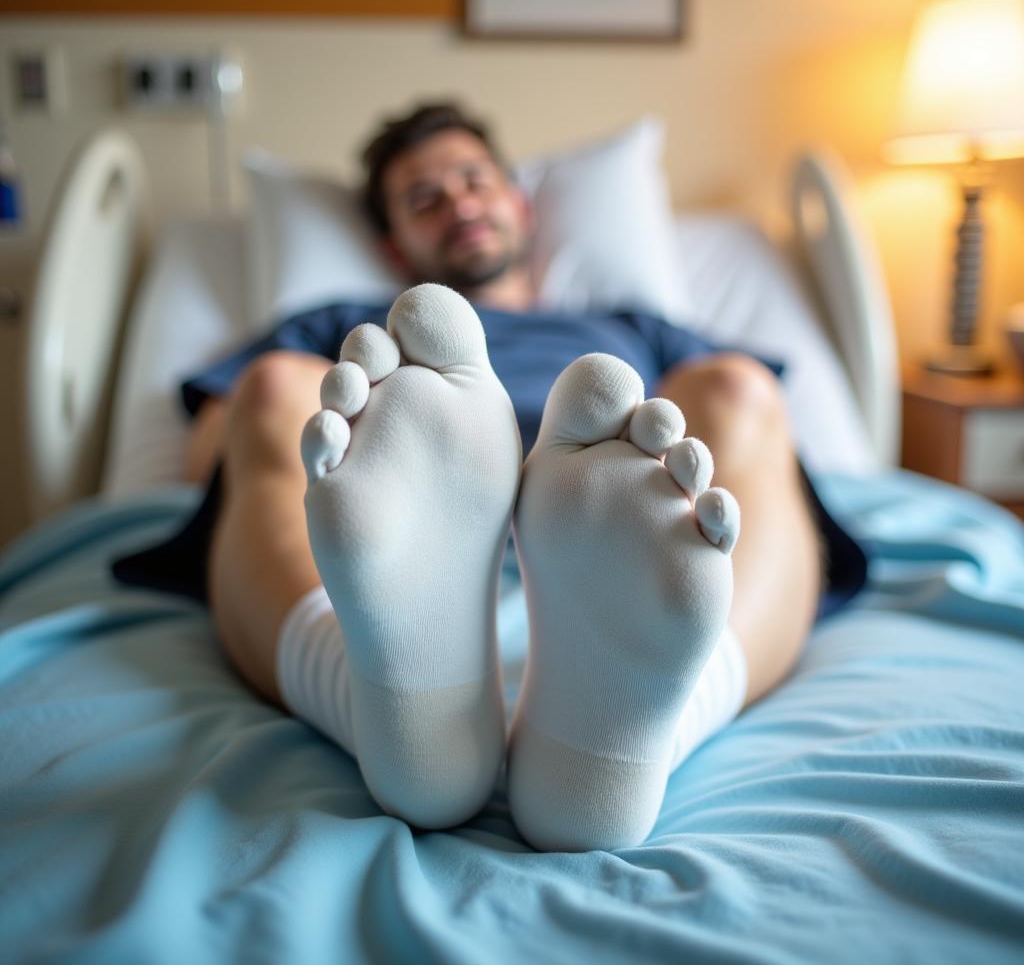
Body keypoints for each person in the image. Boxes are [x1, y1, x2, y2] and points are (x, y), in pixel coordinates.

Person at [123, 102, 866, 852]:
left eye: (473, 180)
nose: (458, 204)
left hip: (612, 536)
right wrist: (283, 423)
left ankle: (603, 730)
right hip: (393, 526)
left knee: (740, 386)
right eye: (425, 198)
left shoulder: (631, 324)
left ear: (518, 203)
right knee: (276, 385)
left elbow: (760, 436)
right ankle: (416, 711)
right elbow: (209, 454)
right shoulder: (339, 322)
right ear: (391, 243)